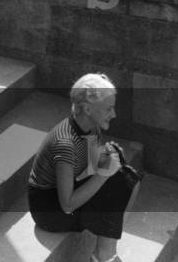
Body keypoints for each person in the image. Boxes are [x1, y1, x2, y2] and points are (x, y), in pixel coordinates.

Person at [27, 73, 140, 262]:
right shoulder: (65, 143)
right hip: (49, 211)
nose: (114, 114)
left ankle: (106, 247)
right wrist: (104, 174)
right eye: (109, 109)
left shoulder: (91, 127)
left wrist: (105, 157)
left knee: (129, 179)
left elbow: (87, 166)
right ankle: (104, 256)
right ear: (87, 109)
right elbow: (67, 204)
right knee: (116, 183)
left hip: (66, 190)